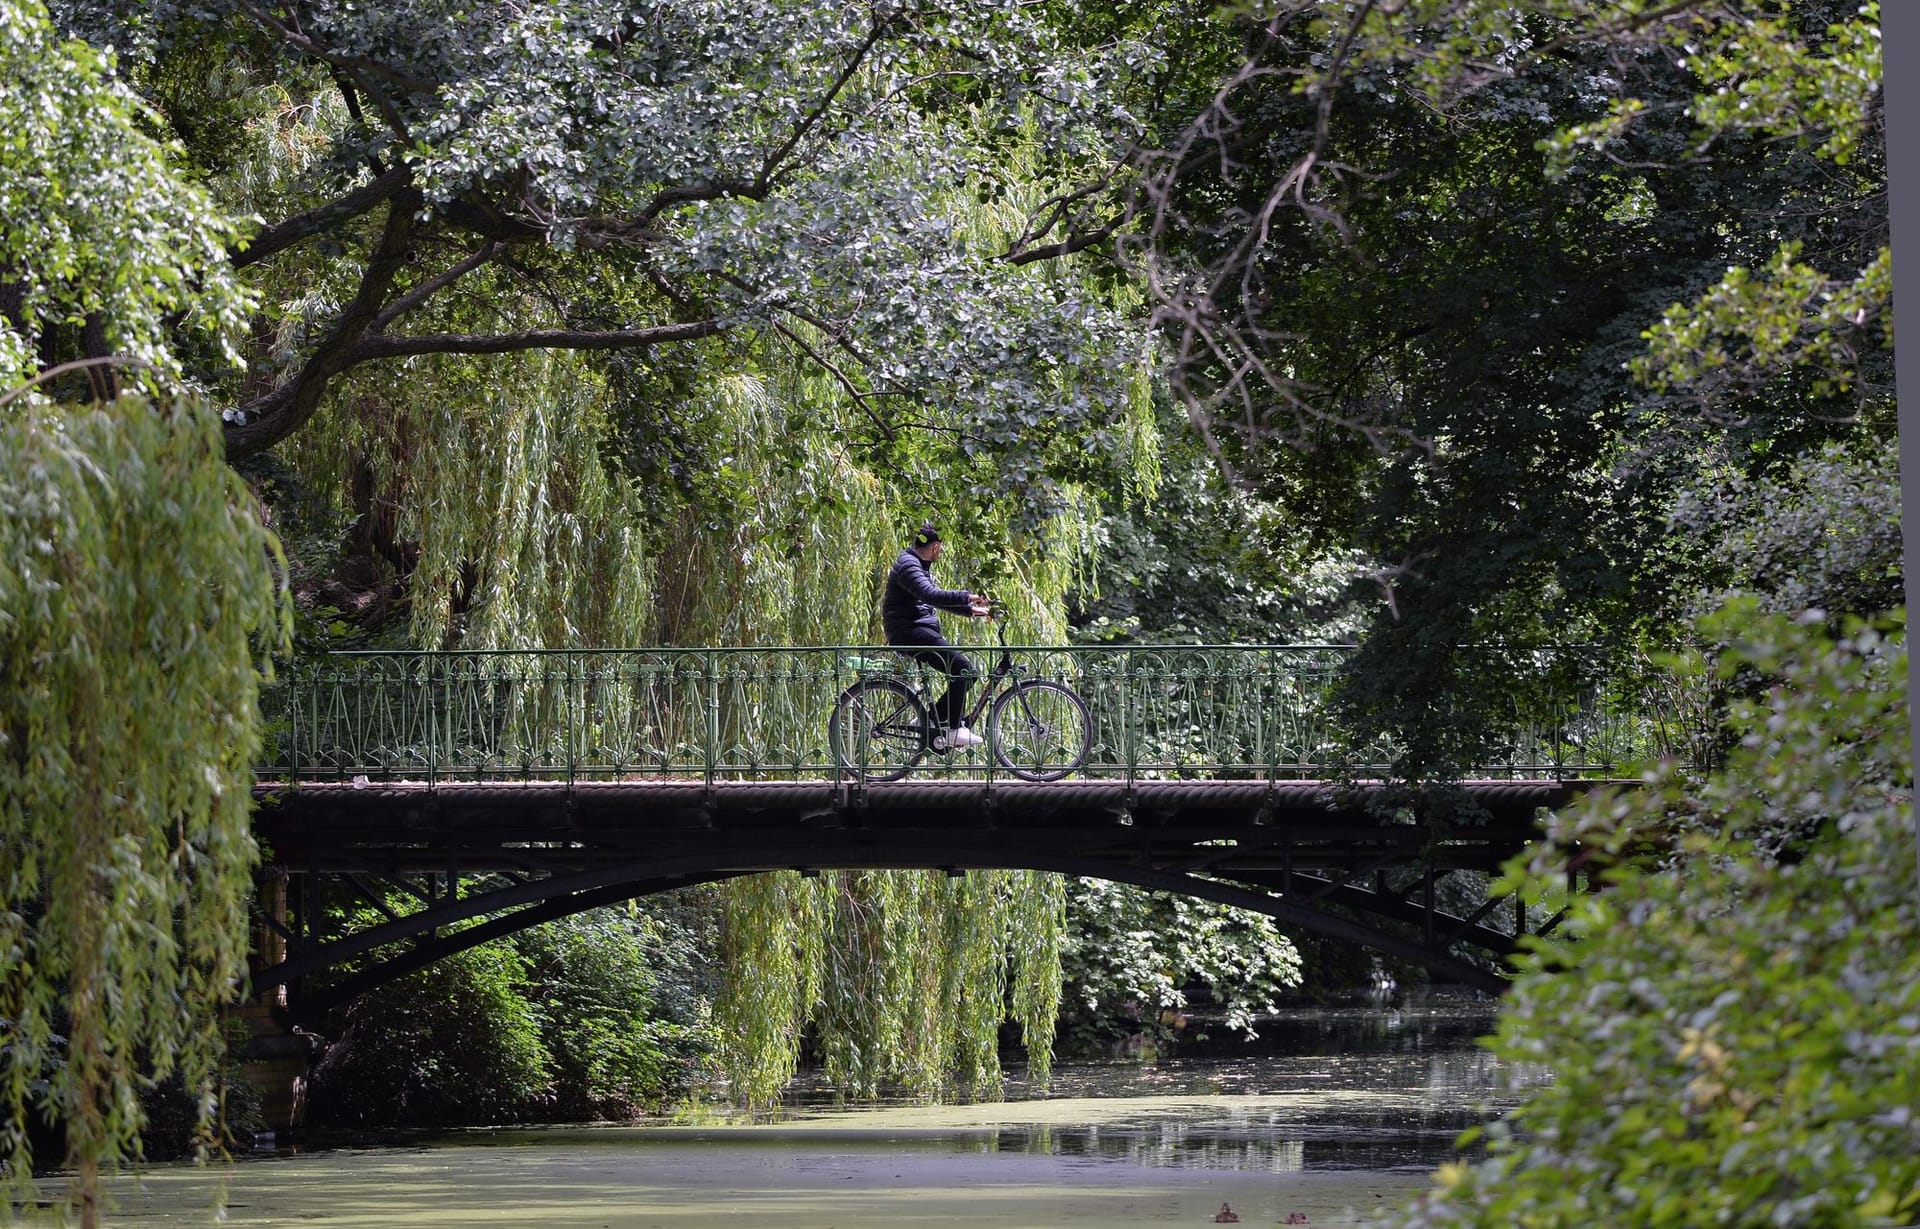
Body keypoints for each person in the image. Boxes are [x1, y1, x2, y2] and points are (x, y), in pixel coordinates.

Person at [883, 522, 991, 750]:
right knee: (963, 669)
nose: (940, 553)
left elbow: (929, 599)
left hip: (915, 630)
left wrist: (969, 610)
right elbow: (931, 595)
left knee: (966, 673)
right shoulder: (909, 566)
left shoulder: (915, 563)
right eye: (940, 549)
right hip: (908, 631)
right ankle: (951, 729)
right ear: (935, 548)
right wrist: (968, 597)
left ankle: (930, 719)